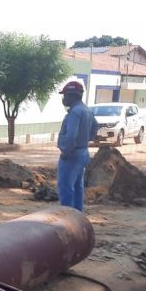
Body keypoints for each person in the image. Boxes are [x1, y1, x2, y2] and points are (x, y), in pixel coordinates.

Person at [56, 81, 98, 211]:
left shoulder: (75, 112)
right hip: (83, 152)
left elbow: (71, 136)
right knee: (78, 187)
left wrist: (66, 152)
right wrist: (86, 139)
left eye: (65, 95)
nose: (64, 98)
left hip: (72, 154)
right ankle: (78, 217)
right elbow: (95, 127)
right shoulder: (87, 110)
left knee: (66, 187)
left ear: (73, 96)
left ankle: (66, 218)